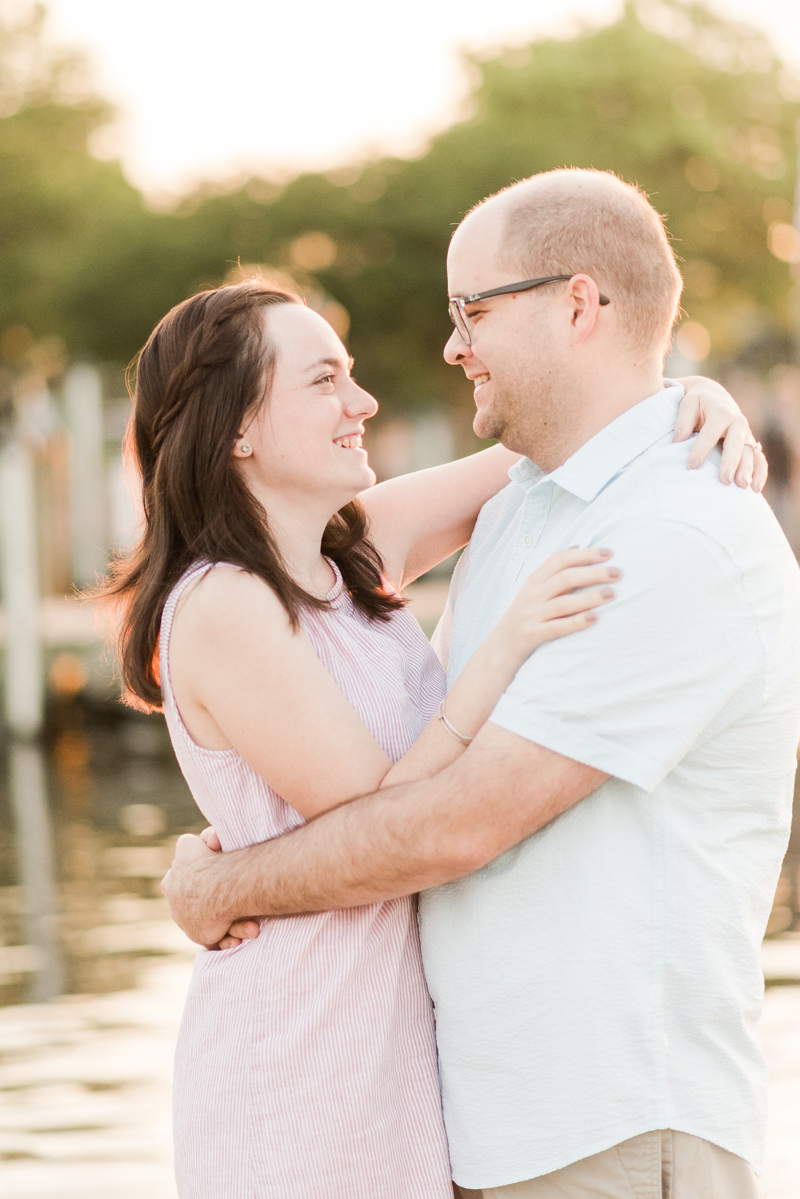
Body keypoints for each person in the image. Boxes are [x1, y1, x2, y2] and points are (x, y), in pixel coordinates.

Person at [164, 169, 799, 1199]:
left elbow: (453, 823)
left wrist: (218, 884)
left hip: (611, 1120)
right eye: (323, 379)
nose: (450, 344)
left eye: (470, 310)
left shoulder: (674, 532)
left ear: (577, 303)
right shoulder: (523, 505)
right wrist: (678, 393)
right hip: (466, 1115)